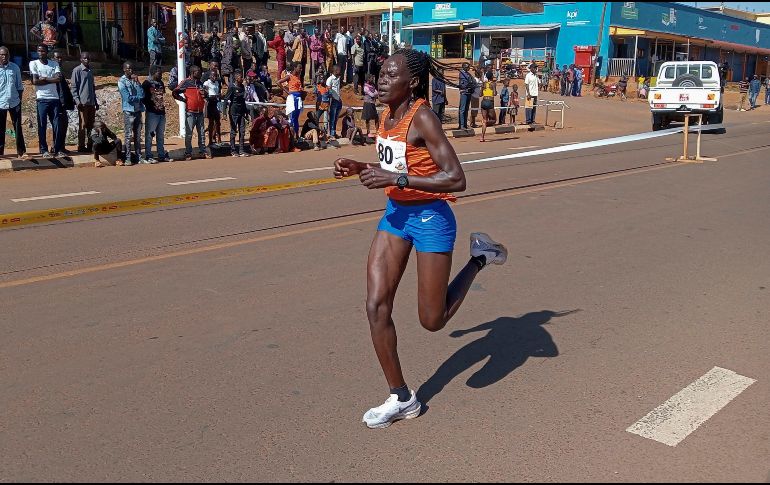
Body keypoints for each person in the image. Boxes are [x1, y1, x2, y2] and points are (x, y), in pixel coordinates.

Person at [332, 49, 508, 429]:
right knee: (376, 306)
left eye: (389, 75)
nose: (380, 80)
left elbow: (456, 178)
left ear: (410, 82)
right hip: (396, 215)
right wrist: (362, 168)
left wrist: (395, 180)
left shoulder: (422, 116)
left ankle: (479, 257)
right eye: (379, 73)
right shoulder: (386, 114)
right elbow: (400, 166)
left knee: (433, 320)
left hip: (431, 218)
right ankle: (401, 397)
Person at [30, 44, 63, 158]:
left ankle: (57, 149)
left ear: (47, 52)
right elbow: (34, 81)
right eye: (39, 51)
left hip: (54, 98)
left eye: (43, 51)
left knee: (57, 124)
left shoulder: (54, 63)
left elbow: (58, 79)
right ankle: (44, 150)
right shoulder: (33, 63)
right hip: (42, 99)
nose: (40, 53)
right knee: (42, 125)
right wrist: (51, 80)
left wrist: (44, 78)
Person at [173, 65, 211, 160]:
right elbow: (175, 92)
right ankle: (188, 152)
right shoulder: (186, 82)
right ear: (193, 72)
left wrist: (205, 94)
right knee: (189, 133)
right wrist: (183, 100)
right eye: (198, 71)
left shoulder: (200, 83)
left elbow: (205, 95)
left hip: (200, 112)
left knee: (201, 133)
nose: (200, 73)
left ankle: (203, 151)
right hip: (190, 112)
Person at [0, 46, 27, 158]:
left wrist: (19, 101)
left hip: (14, 102)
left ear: (9, 55)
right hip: (0, 102)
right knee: (0, 128)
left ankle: (21, 152)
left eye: (6, 54)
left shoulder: (15, 68)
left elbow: (19, 87)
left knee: (18, 128)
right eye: (2, 55)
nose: (4, 57)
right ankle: (0, 153)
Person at [118, 62, 146, 165]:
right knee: (128, 136)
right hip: (129, 111)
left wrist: (138, 82)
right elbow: (127, 98)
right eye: (128, 69)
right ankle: (128, 158)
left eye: (132, 69)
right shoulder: (121, 82)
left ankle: (139, 157)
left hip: (138, 111)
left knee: (138, 136)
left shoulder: (134, 80)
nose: (131, 70)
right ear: (124, 69)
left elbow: (142, 94)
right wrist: (138, 98)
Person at [70, 51, 98, 153]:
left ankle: (90, 145)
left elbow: (92, 87)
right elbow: (73, 88)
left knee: (91, 125)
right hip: (82, 103)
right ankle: (81, 146)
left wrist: (95, 101)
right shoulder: (77, 70)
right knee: (83, 125)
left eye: (88, 58)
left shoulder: (90, 71)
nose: (87, 60)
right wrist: (77, 101)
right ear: (81, 59)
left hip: (91, 103)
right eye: (85, 58)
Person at [142, 66, 171, 163]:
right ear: (153, 73)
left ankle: (161, 155)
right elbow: (143, 98)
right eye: (159, 73)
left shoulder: (161, 83)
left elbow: (162, 96)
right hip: (152, 113)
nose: (161, 75)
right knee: (150, 135)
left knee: (160, 135)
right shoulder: (146, 84)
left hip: (161, 113)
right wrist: (150, 106)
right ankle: (148, 156)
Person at [51, 51, 74, 155]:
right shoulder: (54, 71)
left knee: (64, 125)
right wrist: (62, 103)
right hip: (58, 103)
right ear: (53, 58)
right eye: (57, 58)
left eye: (61, 58)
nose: (59, 60)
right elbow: (59, 89)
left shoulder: (59, 71)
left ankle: (61, 147)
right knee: (59, 126)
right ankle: (57, 148)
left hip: (62, 103)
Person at [225, 70, 248, 157]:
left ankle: (241, 150)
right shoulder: (232, 87)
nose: (242, 79)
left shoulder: (242, 86)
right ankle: (233, 150)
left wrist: (246, 112)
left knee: (242, 131)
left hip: (241, 112)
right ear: (236, 78)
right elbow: (226, 99)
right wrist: (224, 112)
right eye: (241, 77)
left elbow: (243, 100)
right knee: (233, 131)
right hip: (233, 112)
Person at [278, 62, 304, 137]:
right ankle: (292, 136)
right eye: (300, 68)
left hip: (298, 98)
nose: (301, 70)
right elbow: (278, 82)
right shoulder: (289, 76)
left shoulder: (298, 76)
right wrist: (287, 91)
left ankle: (296, 135)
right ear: (295, 68)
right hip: (293, 98)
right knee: (292, 118)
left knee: (296, 118)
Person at [203, 67, 223, 148]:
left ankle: (219, 138)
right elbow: (205, 95)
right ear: (210, 76)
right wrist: (214, 96)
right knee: (211, 122)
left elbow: (218, 92)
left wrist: (219, 96)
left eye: (216, 76)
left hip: (217, 103)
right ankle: (210, 140)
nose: (214, 77)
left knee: (218, 122)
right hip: (210, 103)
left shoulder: (217, 83)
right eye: (213, 76)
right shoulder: (206, 83)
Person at [326, 65, 342, 139]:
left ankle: (334, 132)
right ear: (335, 71)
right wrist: (332, 98)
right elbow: (328, 91)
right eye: (339, 70)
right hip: (333, 100)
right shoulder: (330, 79)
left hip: (338, 99)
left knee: (336, 117)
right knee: (332, 118)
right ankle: (331, 134)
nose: (340, 71)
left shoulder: (338, 78)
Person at [479, 70, 496, 142]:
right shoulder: (493, 84)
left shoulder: (483, 84)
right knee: (494, 120)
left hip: (483, 101)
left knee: (484, 119)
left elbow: (480, 94)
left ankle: (482, 137)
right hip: (490, 102)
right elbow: (494, 93)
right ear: (492, 77)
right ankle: (486, 123)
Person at [362, 74, 379, 139]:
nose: (373, 79)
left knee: (376, 117)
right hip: (368, 104)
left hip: (372, 103)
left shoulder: (372, 86)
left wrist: (375, 94)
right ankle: (368, 131)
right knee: (367, 119)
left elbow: (376, 93)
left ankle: (377, 131)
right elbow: (372, 94)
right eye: (372, 78)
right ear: (368, 79)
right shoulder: (366, 87)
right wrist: (375, 94)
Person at [458, 62, 474, 130]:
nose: (469, 68)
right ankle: (461, 125)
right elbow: (465, 83)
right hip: (464, 93)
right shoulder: (462, 74)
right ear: (464, 67)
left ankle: (465, 124)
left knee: (466, 109)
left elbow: (472, 81)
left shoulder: (468, 74)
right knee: (462, 109)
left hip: (468, 93)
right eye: (467, 67)